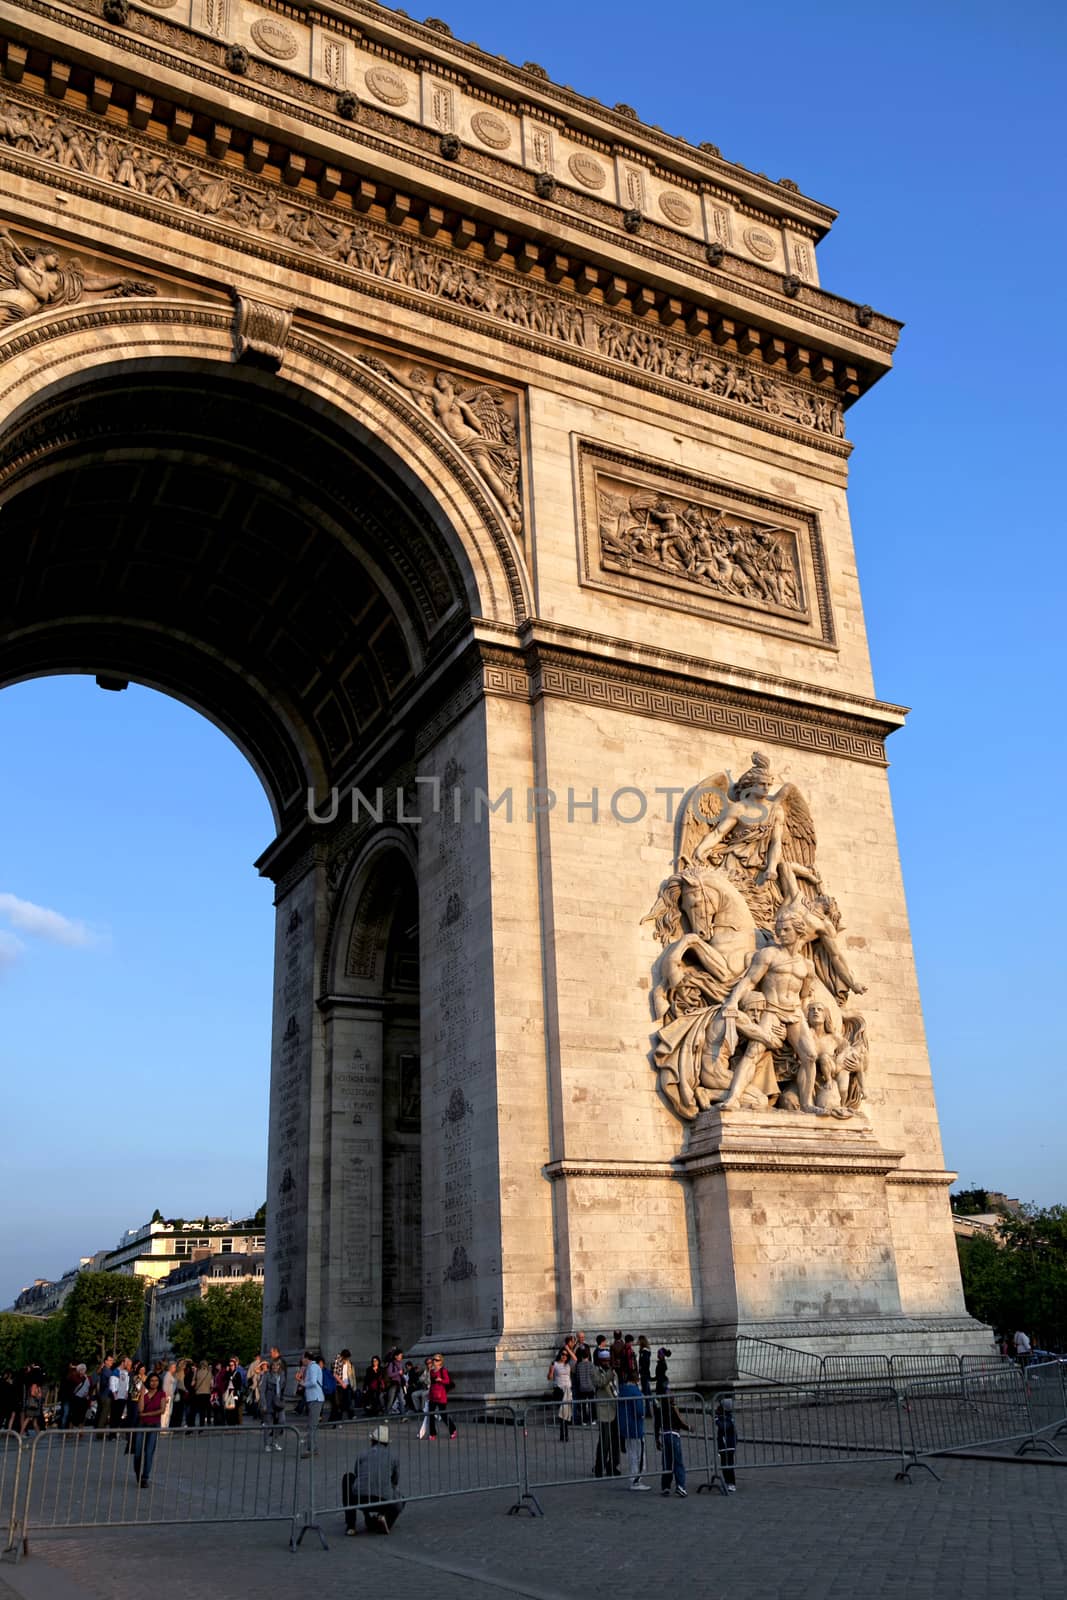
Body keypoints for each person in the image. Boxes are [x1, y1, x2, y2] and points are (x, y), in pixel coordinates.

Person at [343, 1424, 403, 1535]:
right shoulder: (393, 1457)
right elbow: (395, 1480)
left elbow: (357, 1475)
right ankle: (384, 1519)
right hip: (384, 1500)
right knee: (400, 1498)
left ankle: (351, 1526)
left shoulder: (362, 1454)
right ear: (387, 1443)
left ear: (372, 1440)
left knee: (348, 1478)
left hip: (360, 1499)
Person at [133, 1372, 166, 1488]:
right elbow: (140, 1409)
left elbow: (162, 1410)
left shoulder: (162, 1393)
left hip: (154, 1425)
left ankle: (145, 1477)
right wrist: (141, 1394)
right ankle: (137, 1473)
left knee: (149, 1452)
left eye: (156, 1380)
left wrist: (147, 1414)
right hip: (142, 1424)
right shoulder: (144, 1394)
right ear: (148, 1382)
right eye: (152, 1380)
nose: (154, 1383)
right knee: (137, 1452)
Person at [617, 1375, 649, 1489]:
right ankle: (637, 1479)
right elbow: (640, 1411)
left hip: (626, 1427)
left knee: (631, 1453)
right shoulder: (636, 1392)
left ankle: (633, 1477)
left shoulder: (622, 1391)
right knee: (639, 1454)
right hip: (636, 1427)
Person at [656, 1393, 690, 1497]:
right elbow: (679, 1422)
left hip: (665, 1435)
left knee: (667, 1462)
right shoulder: (673, 1408)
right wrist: (689, 1428)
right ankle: (680, 1486)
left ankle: (665, 1486)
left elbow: (656, 1424)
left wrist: (657, 1438)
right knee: (678, 1462)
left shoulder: (660, 1410)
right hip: (674, 1435)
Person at [426, 1354, 456, 1440]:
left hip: (441, 1396)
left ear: (441, 1362)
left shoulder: (443, 1370)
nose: (434, 1361)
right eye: (433, 1359)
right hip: (432, 1395)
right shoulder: (431, 1371)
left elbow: (447, 1381)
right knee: (431, 1415)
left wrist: (441, 1380)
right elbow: (430, 1383)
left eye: (437, 1360)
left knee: (443, 1415)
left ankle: (453, 1430)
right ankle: (432, 1433)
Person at [261, 1352, 287, 1451]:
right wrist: (263, 1404)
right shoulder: (267, 1375)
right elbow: (262, 1390)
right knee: (268, 1423)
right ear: (271, 1366)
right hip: (269, 1400)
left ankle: (274, 1441)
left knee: (282, 1421)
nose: (275, 1367)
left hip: (279, 1401)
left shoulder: (282, 1375)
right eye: (274, 1365)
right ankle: (267, 1444)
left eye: (278, 1365)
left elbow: (283, 1387)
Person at [548, 1346, 573, 1443]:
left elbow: (575, 1358)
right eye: (563, 1354)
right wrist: (550, 1374)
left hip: (568, 1390)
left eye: (566, 1355)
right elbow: (549, 1376)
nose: (564, 1356)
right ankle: (564, 1434)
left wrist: (568, 1349)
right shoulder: (555, 1364)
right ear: (559, 1354)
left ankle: (564, 1434)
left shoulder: (568, 1365)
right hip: (559, 1390)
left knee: (566, 1414)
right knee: (562, 1413)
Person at [302, 1350, 324, 1454]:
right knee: (312, 1424)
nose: (302, 1360)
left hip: (315, 1398)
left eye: (303, 1358)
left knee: (312, 1425)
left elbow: (313, 1382)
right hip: (313, 1398)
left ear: (307, 1358)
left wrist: (303, 1383)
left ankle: (310, 1448)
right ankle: (312, 1447)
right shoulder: (311, 1367)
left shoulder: (313, 1367)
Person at [715, 1397, 737, 1492]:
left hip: (728, 1445)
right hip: (723, 1446)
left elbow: (723, 1427)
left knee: (729, 1465)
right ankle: (727, 1482)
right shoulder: (722, 1416)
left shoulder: (729, 1418)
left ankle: (731, 1483)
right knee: (724, 1464)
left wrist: (716, 1420)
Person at [638, 1336, 653, 1417]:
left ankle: (649, 1412)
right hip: (645, 1374)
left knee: (646, 1393)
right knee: (648, 1393)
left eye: (639, 1340)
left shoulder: (644, 1351)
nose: (638, 1342)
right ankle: (655, 1406)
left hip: (644, 1374)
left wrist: (641, 1368)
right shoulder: (644, 1351)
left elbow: (645, 1362)